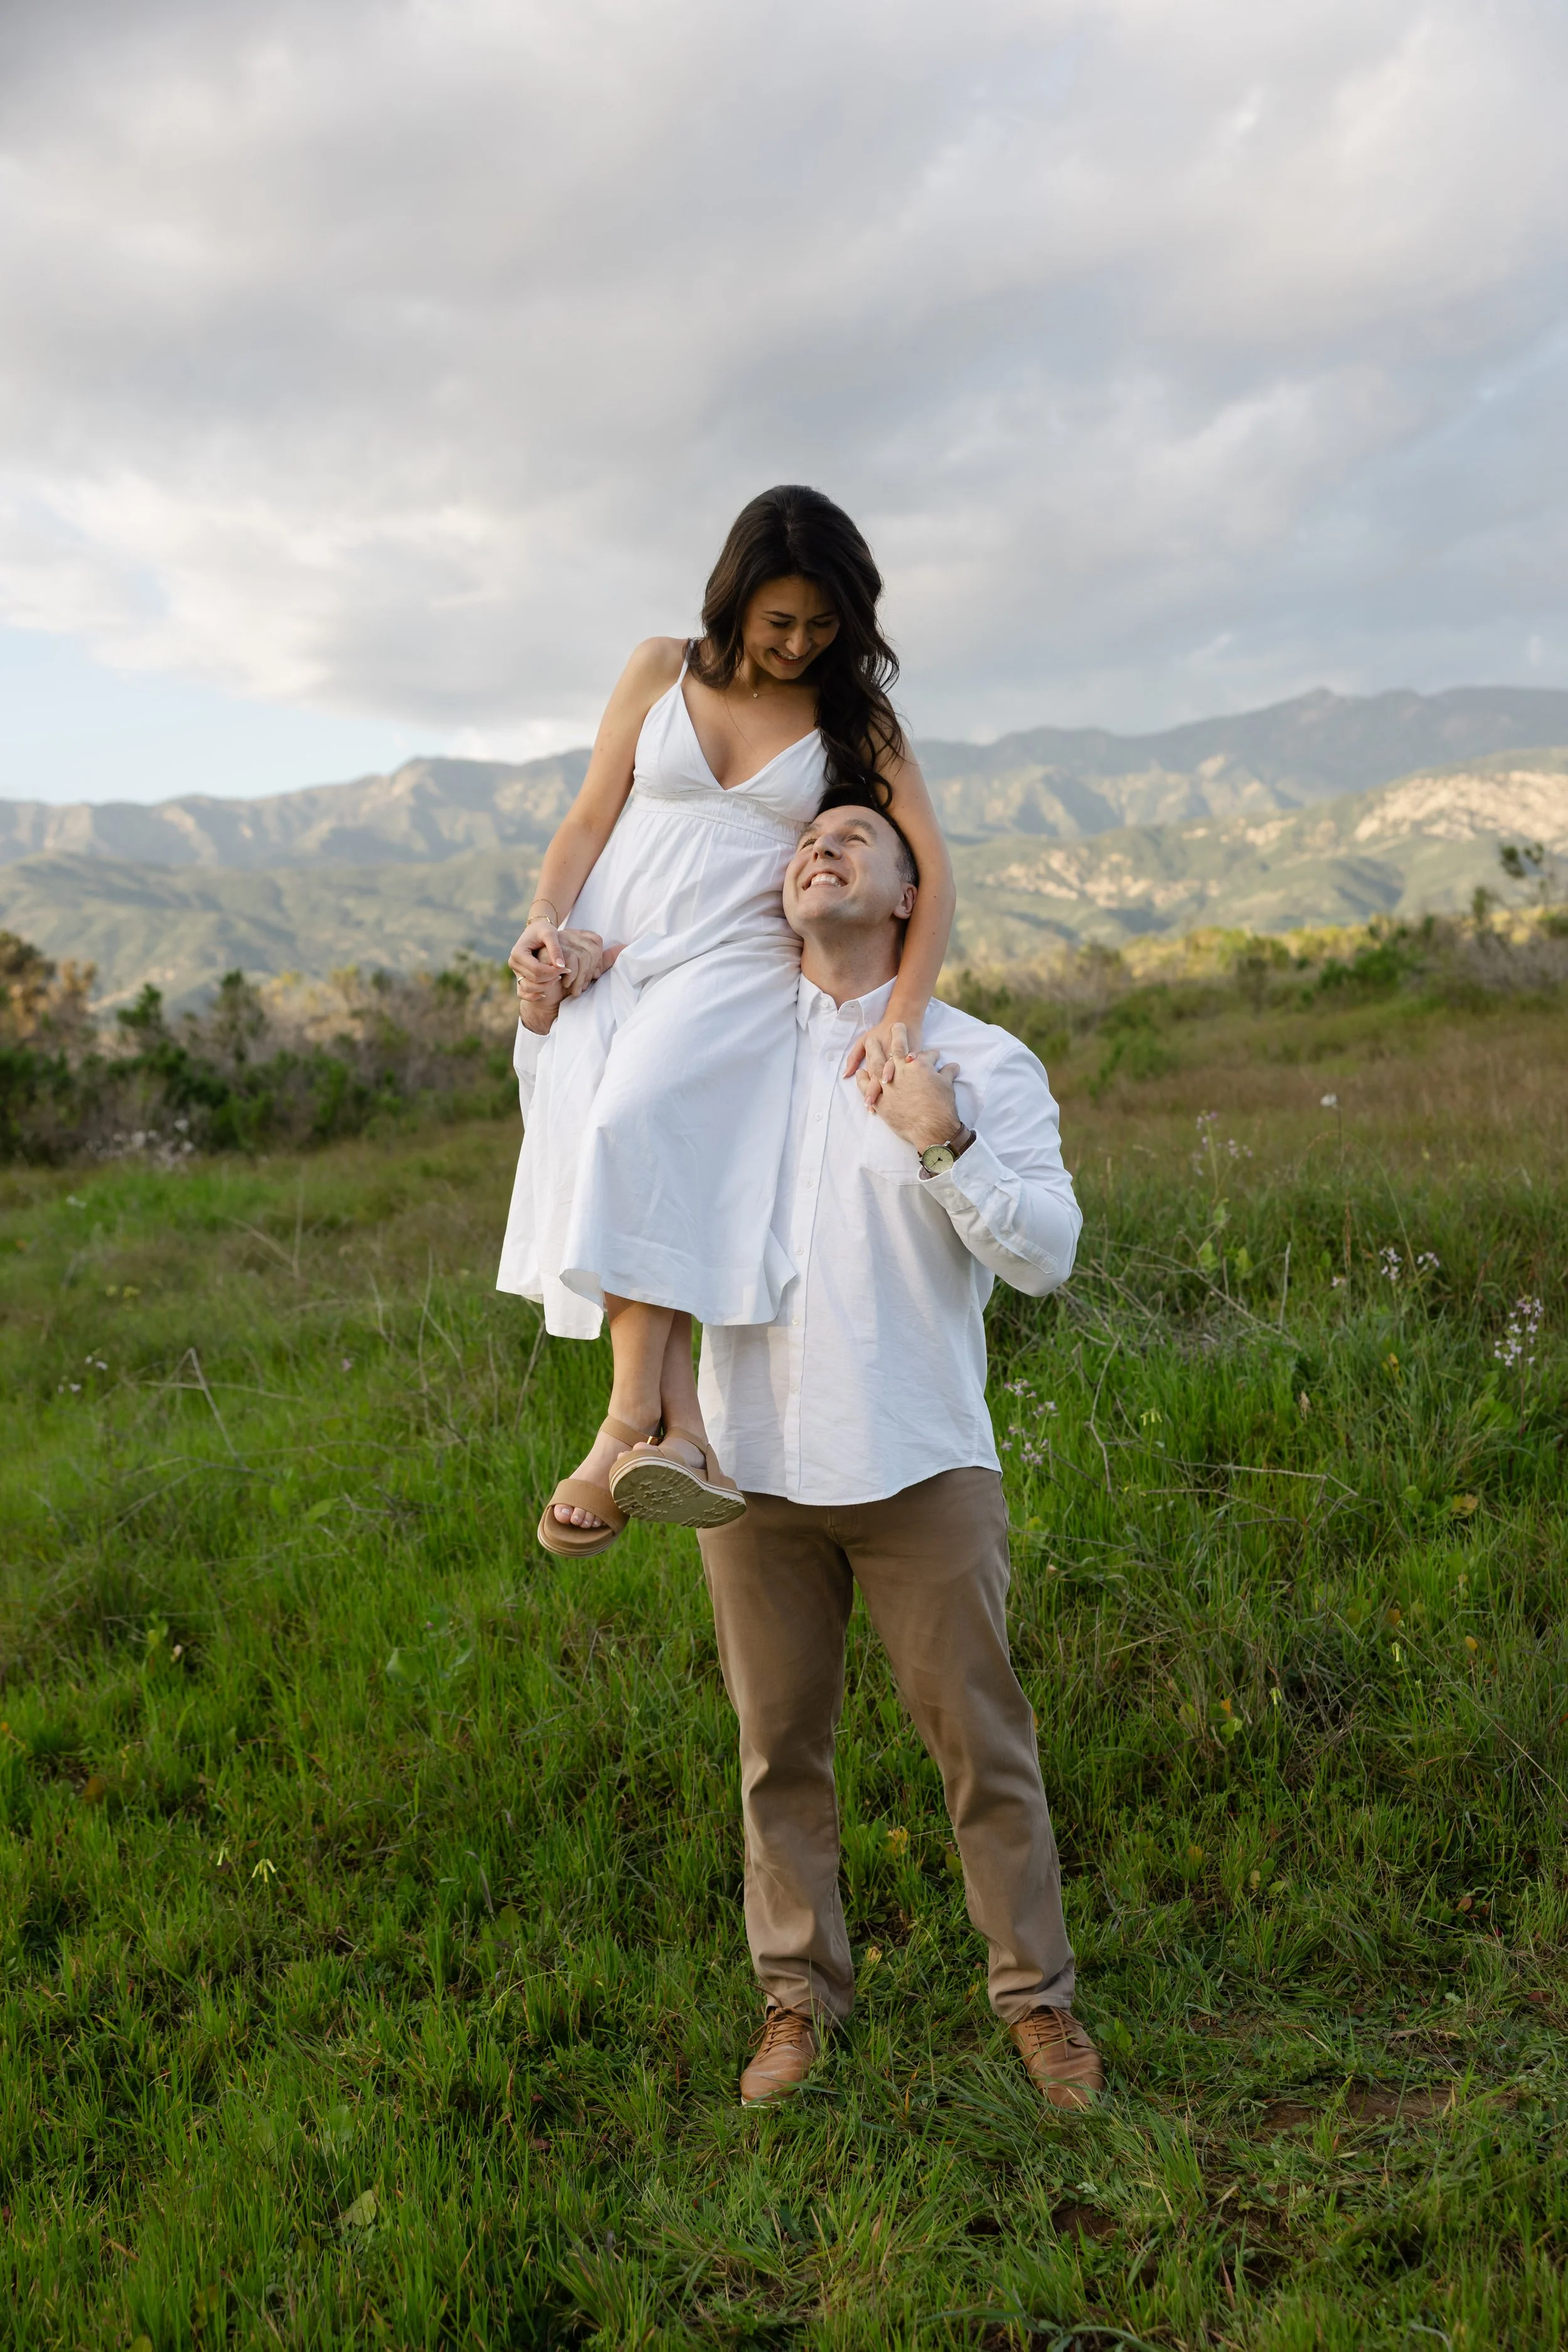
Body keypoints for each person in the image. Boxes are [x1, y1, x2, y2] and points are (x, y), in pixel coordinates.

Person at [514, 796, 1103, 2114]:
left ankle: (1037, 2003)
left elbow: (1047, 1256)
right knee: (776, 1752)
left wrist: (940, 1137)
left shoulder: (976, 1058)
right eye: (801, 840)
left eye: (852, 835)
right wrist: (556, 998)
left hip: (921, 1462)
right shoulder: (721, 1046)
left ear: (910, 894)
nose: (815, 850)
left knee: (983, 1752)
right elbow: (579, 1123)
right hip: (746, 1471)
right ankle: (795, 2004)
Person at [496, 485, 955, 1558]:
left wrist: (903, 1014)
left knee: (638, 1123)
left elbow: (932, 877)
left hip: (736, 955)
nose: (800, 645)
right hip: (610, 948)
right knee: (606, 1134)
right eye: (780, 620)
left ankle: (618, 1430)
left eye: (825, 625)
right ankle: (687, 1433)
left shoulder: (856, 720)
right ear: (735, 598)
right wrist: (545, 926)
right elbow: (587, 816)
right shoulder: (661, 667)